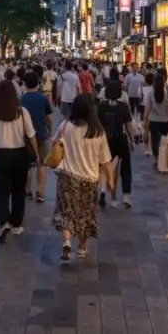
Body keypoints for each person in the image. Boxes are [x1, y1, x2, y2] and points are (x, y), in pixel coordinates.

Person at [52, 93, 114, 262]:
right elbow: (106, 160)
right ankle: (81, 247)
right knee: (86, 215)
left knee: (65, 212)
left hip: (67, 177)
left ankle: (66, 241)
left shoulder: (66, 126)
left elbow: (54, 143)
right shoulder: (97, 131)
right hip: (89, 179)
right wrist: (110, 179)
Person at [0, 80, 39, 242]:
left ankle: (4, 221)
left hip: (0, 155)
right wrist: (38, 154)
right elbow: (31, 135)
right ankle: (16, 224)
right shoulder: (22, 112)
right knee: (18, 190)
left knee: (1, 192)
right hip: (19, 155)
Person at [96, 80, 135, 208]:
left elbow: (97, 125)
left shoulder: (101, 106)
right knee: (125, 167)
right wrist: (132, 140)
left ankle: (103, 191)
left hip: (105, 140)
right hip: (120, 139)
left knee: (105, 166)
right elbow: (129, 126)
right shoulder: (123, 106)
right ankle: (126, 196)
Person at [20, 71, 54, 203]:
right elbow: (49, 117)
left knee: (27, 164)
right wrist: (49, 130)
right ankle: (40, 191)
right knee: (42, 163)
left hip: (24, 135)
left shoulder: (21, 99)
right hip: (41, 133)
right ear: (38, 83)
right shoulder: (43, 98)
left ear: (25, 84)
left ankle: (28, 189)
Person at [144, 73, 168, 166]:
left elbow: (147, 108)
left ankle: (157, 159)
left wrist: (145, 120)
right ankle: (163, 158)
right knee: (164, 140)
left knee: (154, 141)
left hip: (154, 120)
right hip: (166, 121)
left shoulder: (150, 94)